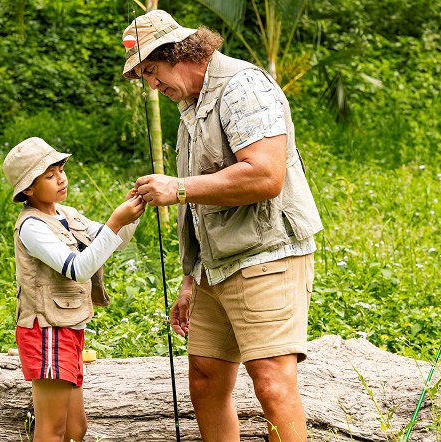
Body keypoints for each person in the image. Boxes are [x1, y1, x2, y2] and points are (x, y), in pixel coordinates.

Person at [122, 10, 323, 442]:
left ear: (176, 52)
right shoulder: (191, 105)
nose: (152, 86)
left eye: (152, 72)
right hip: (216, 267)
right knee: (207, 379)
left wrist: (177, 187)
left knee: (271, 382)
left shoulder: (242, 88)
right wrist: (190, 278)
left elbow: (266, 176)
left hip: (267, 255)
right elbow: (202, 203)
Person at [2, 137, 145, 442]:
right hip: (47, 331)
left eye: (61, 171)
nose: (61, 179)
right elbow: (78, 268)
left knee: (75, 430)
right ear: (28, 188)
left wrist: (134, 209)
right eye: (49, 176)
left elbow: (114, 239)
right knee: (52, 430)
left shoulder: (67, 214)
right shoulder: (32, 226)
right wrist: (115, 220)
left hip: (69, 328)